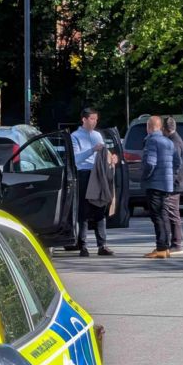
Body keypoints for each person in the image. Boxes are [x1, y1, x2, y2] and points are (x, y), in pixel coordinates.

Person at [69, 107, 114, 256]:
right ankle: (83, 246)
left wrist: (111, 158)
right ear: (84, 119)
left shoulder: (97, 135)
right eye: (92, 119)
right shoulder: (75, 136)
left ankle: (102, 245)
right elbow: (76, 159)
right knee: (84, 210)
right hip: (84, 174)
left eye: (96, 119)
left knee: (100, 207)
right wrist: (92, 150)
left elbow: (104, 154)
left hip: (98, 173)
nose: (95, 122)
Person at [141, 115, 180, 259]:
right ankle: (165, 247)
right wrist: (170, 175)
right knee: (163, 215)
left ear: (149, 127)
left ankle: (161, 248)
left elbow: (150, 163)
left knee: (156, 216)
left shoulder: (151, 141)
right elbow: (177, 162)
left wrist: (145, 176)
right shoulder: (168, 142)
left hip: (155, 183)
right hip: (167, 185)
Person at [163, 116, 183, 255]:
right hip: (176, 181)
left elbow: (176, 164)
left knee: (172, 213)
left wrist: (169, 181)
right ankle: (175, 242)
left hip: (174, 182)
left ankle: (177, 244)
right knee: (172, 212)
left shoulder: (174, 142)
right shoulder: (174, 139)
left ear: (165, 129)